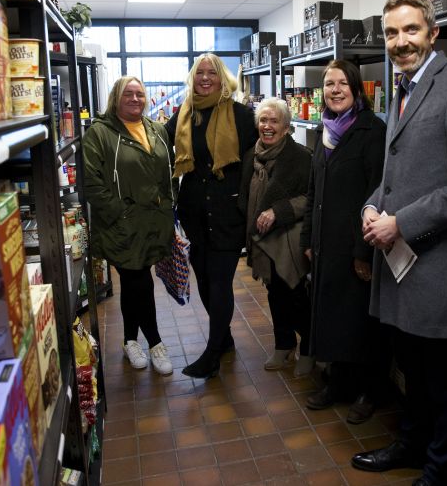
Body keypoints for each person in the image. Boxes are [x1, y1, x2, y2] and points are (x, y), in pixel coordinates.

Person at [353, 0, 447, 486]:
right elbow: (397, 172)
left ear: (434, 33)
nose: (400, 41)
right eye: (392, 33)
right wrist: (372, 205)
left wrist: (401, 223)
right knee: (410, 367)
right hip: (399, 264)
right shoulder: (403, 88)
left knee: (443, 377)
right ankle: (412, 444)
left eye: (410, 30)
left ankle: (441, 468)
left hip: (438, 264)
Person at [300, 59, 387, 424]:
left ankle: (369, 391)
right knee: (332, 317)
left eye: (342, 84)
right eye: (329, 84)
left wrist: (363, 252)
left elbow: (377, 194)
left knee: (360, 323)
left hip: (356, 246)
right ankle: (338, 383)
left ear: (356, 90)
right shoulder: (323, 132)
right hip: (324, 243)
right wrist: (307, 236)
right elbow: (312, 190)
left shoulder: (372, 131)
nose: (335, 90)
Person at [165, 53, 257, 379]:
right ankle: (225, 337)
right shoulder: (185, 114)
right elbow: (161, 143)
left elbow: (259, 159)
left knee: (219, 282)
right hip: (194, 212)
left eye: (211, 73)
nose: (205, 78)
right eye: (200, 73)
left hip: (227, 211)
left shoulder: (242, 115)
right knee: (203, 280)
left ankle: (213, 352)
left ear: (222, 78)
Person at [82, 75, 176, 376]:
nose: (135, 99)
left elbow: (168, 173)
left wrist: (168, 206)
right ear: (116, 98)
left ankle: (129, 340)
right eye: (128, 94)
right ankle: (155, 343)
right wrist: (120, 211)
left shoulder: (157, 129)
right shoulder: (99, 133)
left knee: (134, 284)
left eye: (139, 94)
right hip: (121, 225)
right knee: (140, 281)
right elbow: (90, 183)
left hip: (153, 223)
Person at [238, 98, 314, 376]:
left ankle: (308, 348)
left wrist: (277, 211)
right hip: (263, 241)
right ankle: (283, 345)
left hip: (288, 240)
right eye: (263, 120)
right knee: (274, 293)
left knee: (295, 294)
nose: (267, 127)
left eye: (274, 121)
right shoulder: (252, 156)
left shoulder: (301, 157)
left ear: (286, 127)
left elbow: (312, 198)